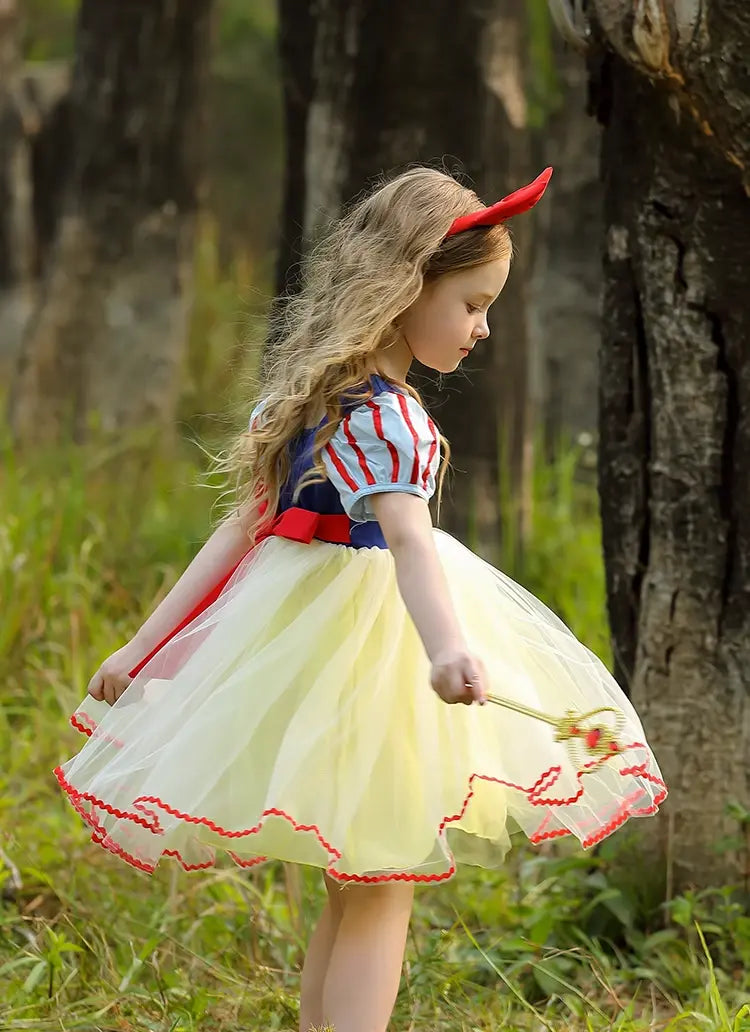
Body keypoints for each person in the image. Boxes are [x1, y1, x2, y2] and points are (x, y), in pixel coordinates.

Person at [53, 165, 667, 1032]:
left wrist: (143, 647)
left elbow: (241, 536)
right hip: (375, 649)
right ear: (405, 286)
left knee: (360, 879)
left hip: (311, 639)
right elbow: (403, 540)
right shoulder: (389, 418)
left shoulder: (307, 397)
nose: (483, 327)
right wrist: (449, 646)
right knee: (379, 883)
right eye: (471, 303)